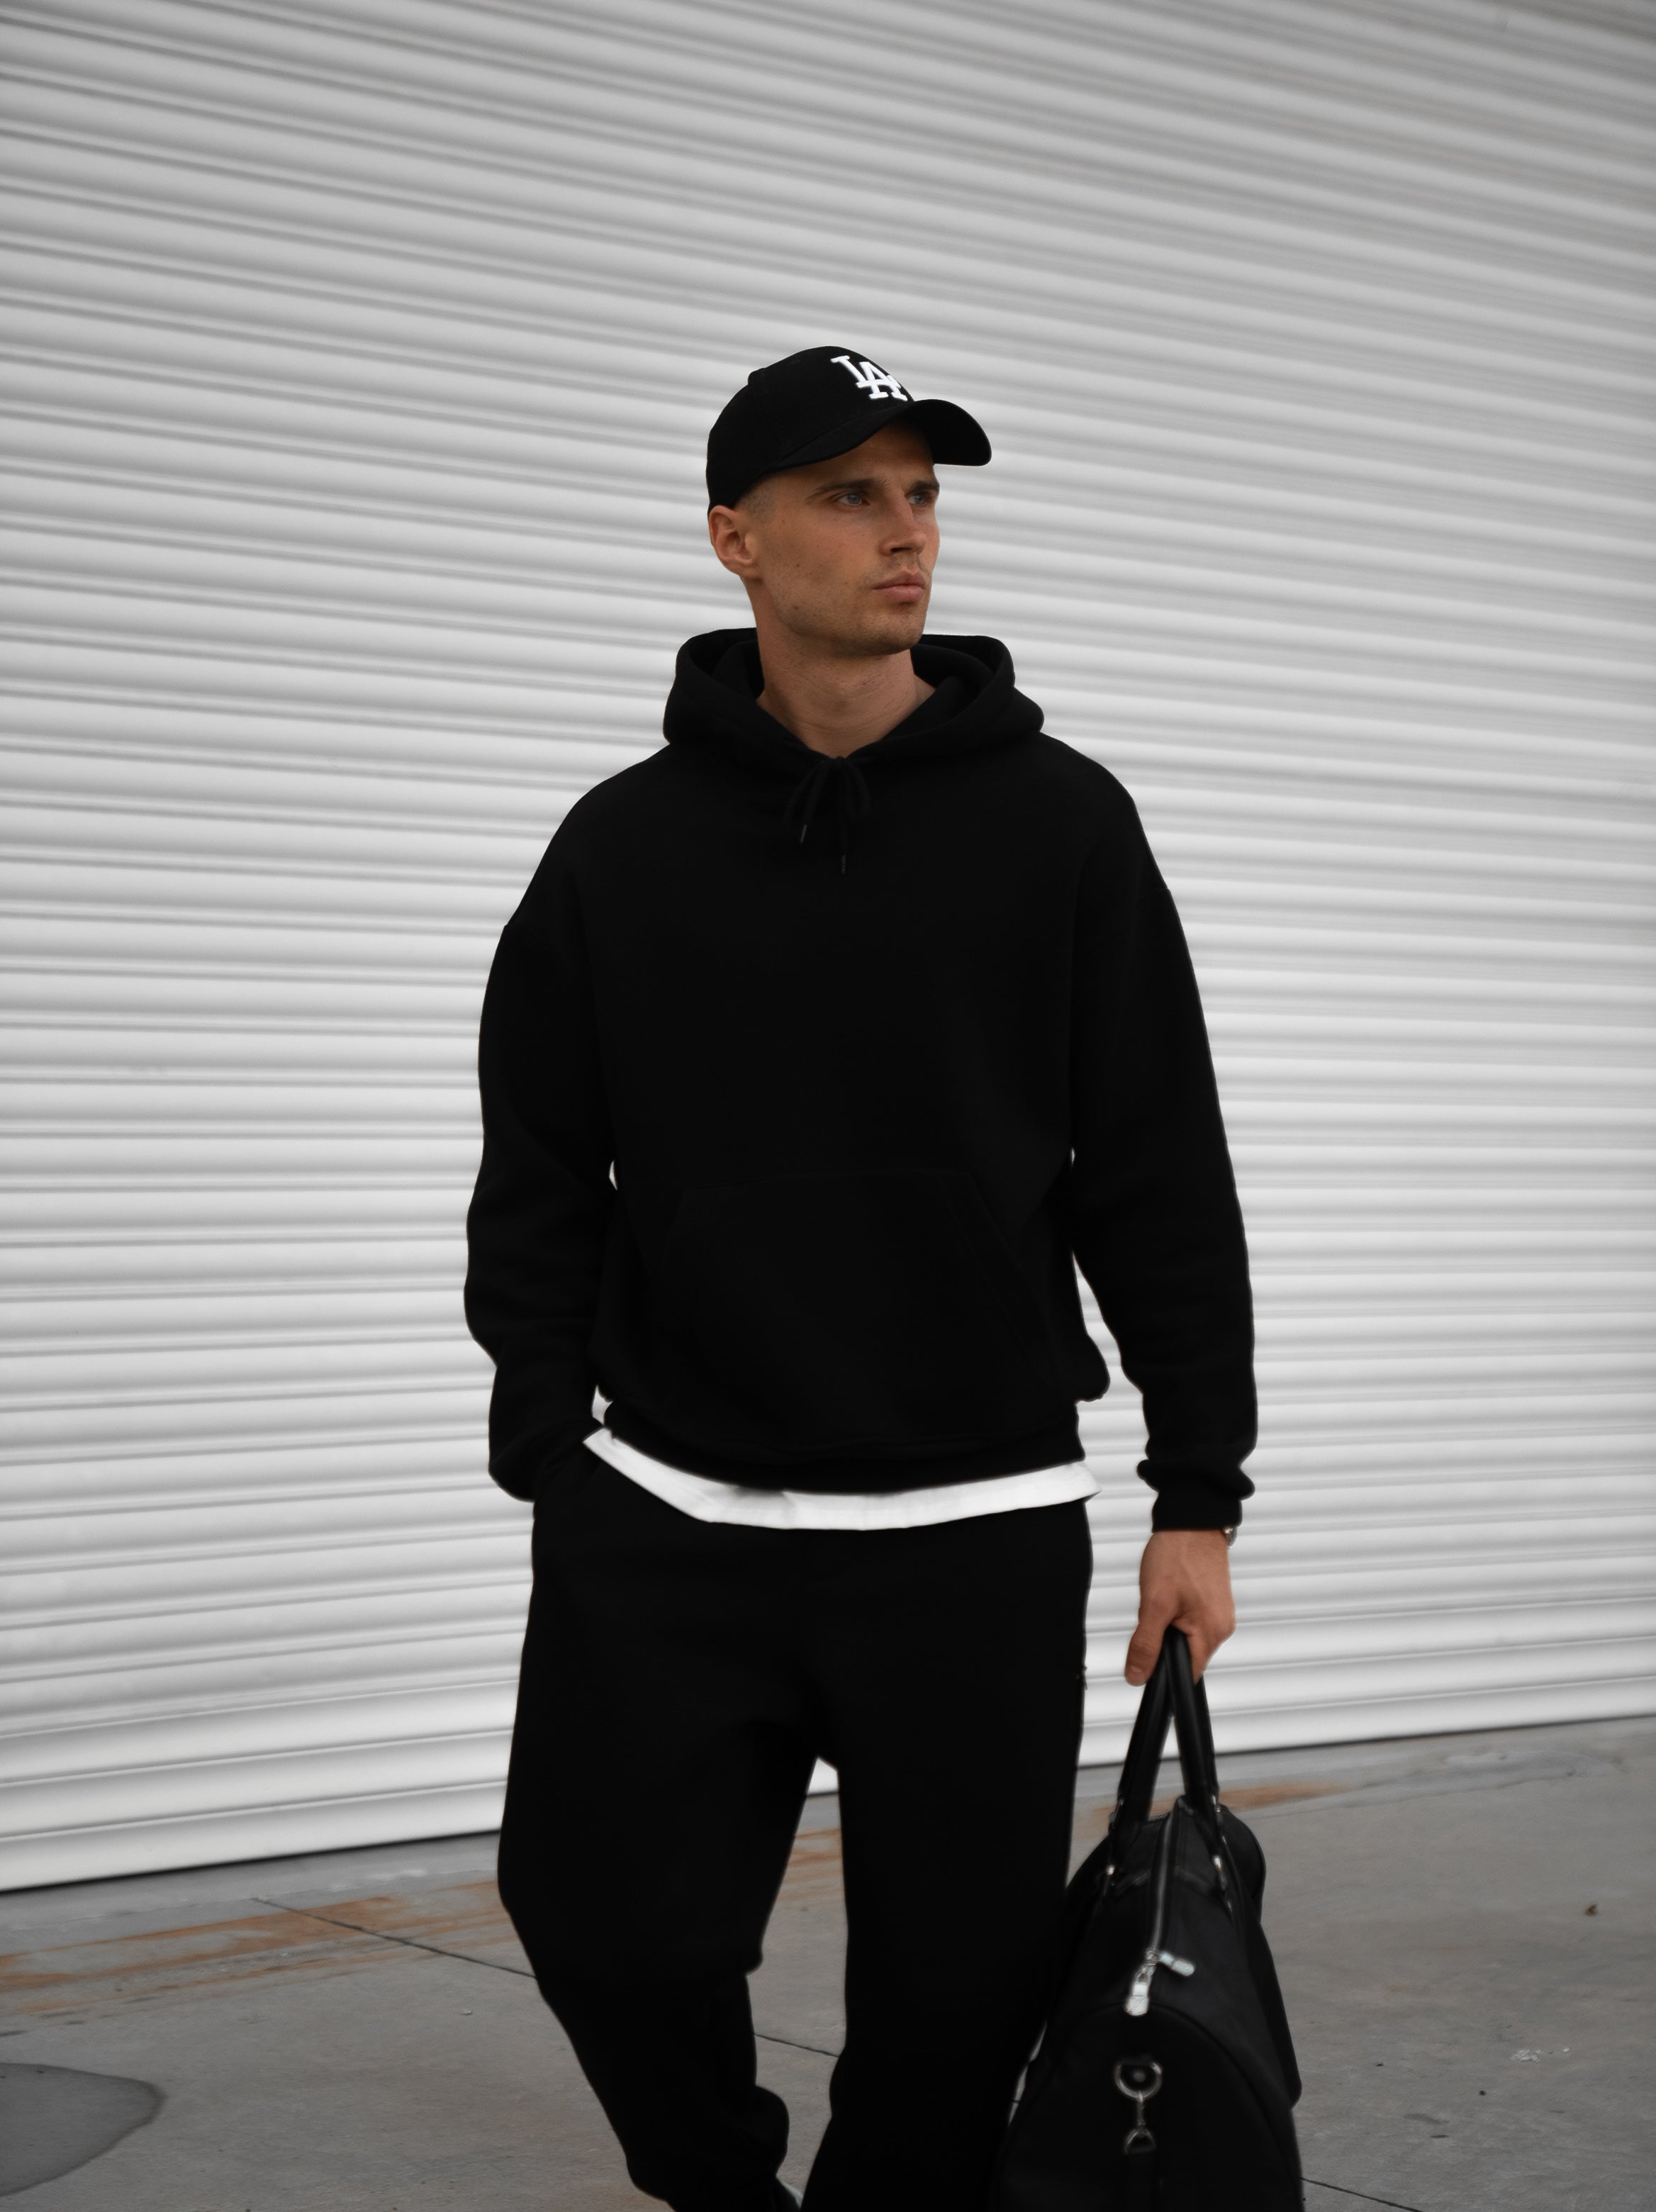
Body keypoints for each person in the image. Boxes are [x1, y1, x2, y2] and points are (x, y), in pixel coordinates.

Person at [464, 345, 1255, 2212]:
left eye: (922, 495)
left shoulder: (1060, 824)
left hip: (972, 1527)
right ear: (734, 538)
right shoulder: (622, 847)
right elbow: (540, 1161)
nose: (906, 533)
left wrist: (1198, 1494)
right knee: (602, 1923)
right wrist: (547, 1434)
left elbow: (1157, 1170)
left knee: (951, 2012)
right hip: (674, 1515)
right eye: (849, 494)